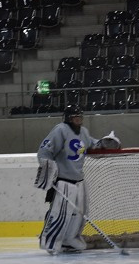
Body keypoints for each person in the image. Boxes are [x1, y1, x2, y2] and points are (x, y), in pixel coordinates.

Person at [33, 105, 120, 254]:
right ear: (68, 118)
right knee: (60, 213)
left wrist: (106, 142)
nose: (78, 120)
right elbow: (44, 151)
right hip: (62, 180)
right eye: (75, 117)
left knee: (78, 215)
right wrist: (48, 171)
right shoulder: (60, 130)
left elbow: (93, 144)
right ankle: (51, 241)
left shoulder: (84, 132)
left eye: (80, 117)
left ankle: (70, 240)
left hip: (78, 181)